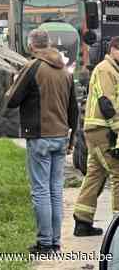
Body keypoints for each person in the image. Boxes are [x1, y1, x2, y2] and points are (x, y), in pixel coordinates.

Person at [5, 29, 78, 254]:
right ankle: (55, 242)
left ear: (31, 45)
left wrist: (13, 81)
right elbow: (74, 108)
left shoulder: (33, 67)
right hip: (60, 136)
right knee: (56, 190)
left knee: (40, 191)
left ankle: (45, 243)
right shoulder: (65, 71)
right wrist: (72, 138)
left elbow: (12, 100)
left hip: (39, 137)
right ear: (48, 44)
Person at [73, 36, 119, 236]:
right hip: (103, 129)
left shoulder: (111, 70)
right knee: (118, 172)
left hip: (97, 129)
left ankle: (82, 221)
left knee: (95, 174)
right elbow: (107, 103)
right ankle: (117, 228)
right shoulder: (105, 69)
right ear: (114, 49)